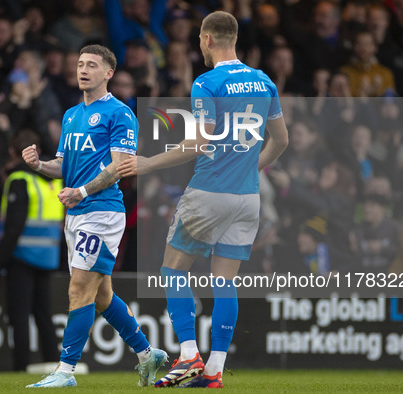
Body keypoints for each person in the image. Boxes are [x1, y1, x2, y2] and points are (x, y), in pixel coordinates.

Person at [118, 11, 289, 388]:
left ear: (207, 40)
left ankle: (190, 353)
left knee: (172, 270)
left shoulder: (207, 83)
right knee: (224, 281)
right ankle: (214, 370)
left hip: (210, 192)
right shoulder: (264, 81)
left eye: (199, 39)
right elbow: (281, 141)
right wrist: (250, 169)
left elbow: (199, 143)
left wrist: (147, 163)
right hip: (248, 198)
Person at [21, 44, 167, 388]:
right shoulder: (72, 115)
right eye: (80, 64)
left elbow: (120, 166)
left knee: (79, 288)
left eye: (91, 65)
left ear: (108, 74)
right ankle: (148, 355)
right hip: (77, 213)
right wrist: (39, 165)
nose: (83, 70)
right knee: (101, 296)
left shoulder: (119, 113)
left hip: (102, 212)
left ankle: (65, 371)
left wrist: (82, 191)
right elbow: (64, 166)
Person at [0, 130, 64, 371]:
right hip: (48, 256)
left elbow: (14, 227)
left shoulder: (20, 179)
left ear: (14, 152)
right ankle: (53, 362)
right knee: (44, 314)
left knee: (19, 314)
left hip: (22, 256)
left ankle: (21, 365)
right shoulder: (53, 179)